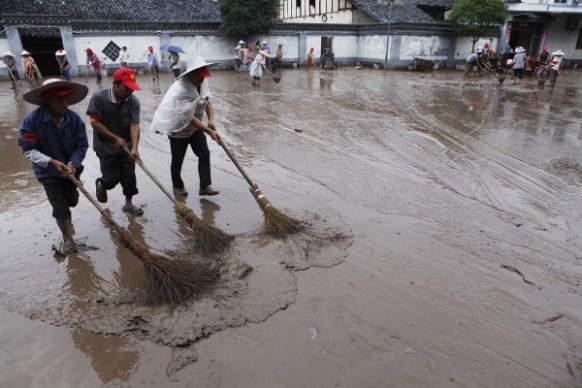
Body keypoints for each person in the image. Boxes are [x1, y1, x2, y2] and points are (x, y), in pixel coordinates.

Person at [18, 79, 89, 253]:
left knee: (71, 201)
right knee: (60, 208)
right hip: (48, 173)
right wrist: (51, 162)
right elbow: (28, 151)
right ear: (47, 100)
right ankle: (67, 238)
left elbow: (81, 146)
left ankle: (67, 218)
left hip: (71, 171)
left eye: (66, 99)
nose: (64, 103)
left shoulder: (74, 120)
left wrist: (72, 163)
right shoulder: (32, 121)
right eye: (59, 99)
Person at [150, 55, 221, 197]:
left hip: (196, 128)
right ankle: (178, 186)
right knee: (177, 160)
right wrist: (208, 131)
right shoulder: (180, 89)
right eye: (200, 77)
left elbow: (208, 103)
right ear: (192, 75)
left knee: (204, 153)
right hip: (179, 129)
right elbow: (188, 117)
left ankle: (205, 186)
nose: (202, 80)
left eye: (203, 77)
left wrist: (211, 121)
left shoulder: (203, 82)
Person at [86, 68, 144, 215]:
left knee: (129, 175)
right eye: (127, 88)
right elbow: (94, 121)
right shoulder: (99, 98)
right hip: (105, 147)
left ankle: (129, 204)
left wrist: (135, 147)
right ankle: (102, 183)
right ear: (116, 84)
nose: (130, 92)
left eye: (132, 89)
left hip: (127, 146)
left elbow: (134, 124)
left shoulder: (133, 102)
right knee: (112, 178)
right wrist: (114, 138)